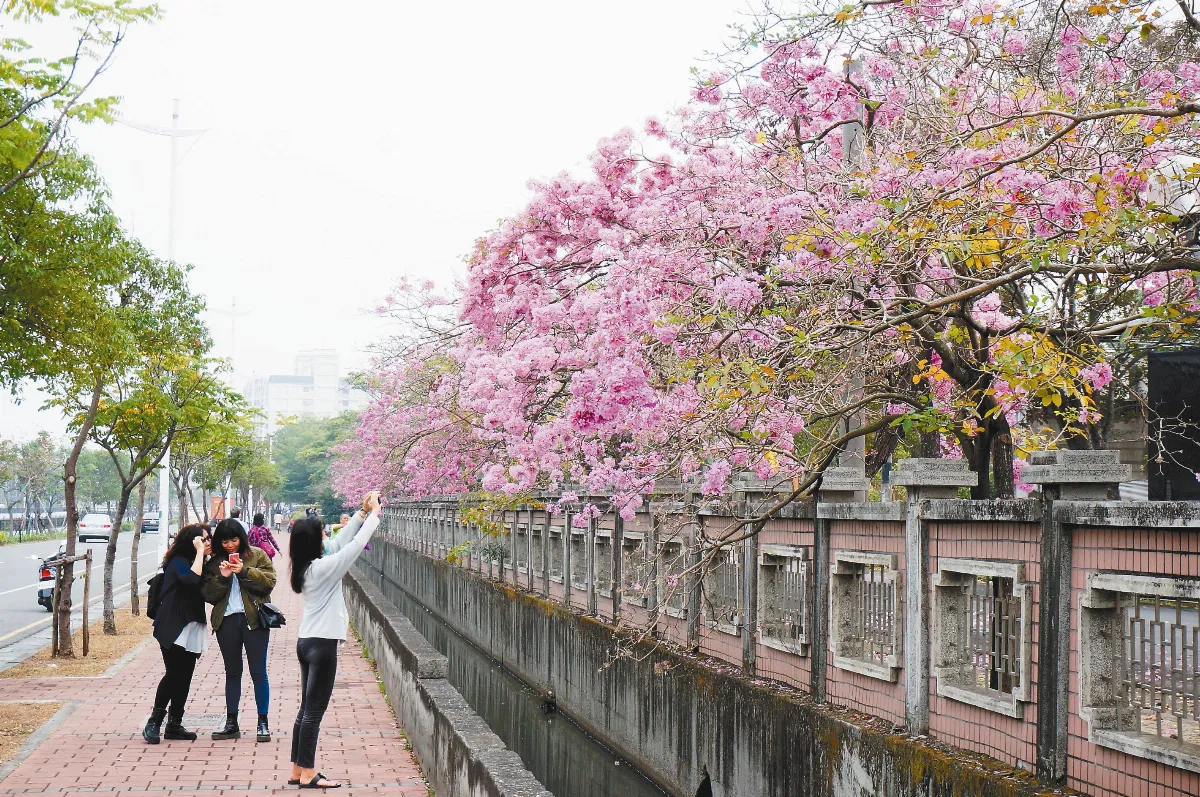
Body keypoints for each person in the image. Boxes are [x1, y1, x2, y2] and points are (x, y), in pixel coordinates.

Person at [287, 491, 381, 789]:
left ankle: (296, 769)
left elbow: (340, 543)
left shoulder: (307, 566)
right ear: (314, 542)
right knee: (314, 711)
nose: (327, 535)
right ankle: (309, 773)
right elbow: (351, 548)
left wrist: (361, 514)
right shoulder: (325, 568)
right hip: (323, 645)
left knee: (305, 709)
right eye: (322, 533)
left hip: (307, 641)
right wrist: (376, 514)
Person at [202, 519, 277, 743]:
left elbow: (268, 583)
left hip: (254, 620)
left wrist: (244, 571)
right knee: (232, 672)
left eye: (234, 540)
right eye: (224, 541)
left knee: (258, 671)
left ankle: (262, 722)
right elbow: (208, 595)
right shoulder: (214, 563)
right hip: (226, 622)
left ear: (242, 538)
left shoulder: (257, 555)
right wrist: (223, 578)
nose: (230, 545)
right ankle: (231, 722)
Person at [144, 524, 212, 745]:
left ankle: (175, 724)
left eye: (208, 539)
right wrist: (200, 553)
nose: (207, 542)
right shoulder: (178, 562)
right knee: (174, 673)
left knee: (185, 675)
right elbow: (192, 580)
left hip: (191, 624)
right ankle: (154, 722)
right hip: (173, 624)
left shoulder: (201, 562)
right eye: (203, 540)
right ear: (191, 542)